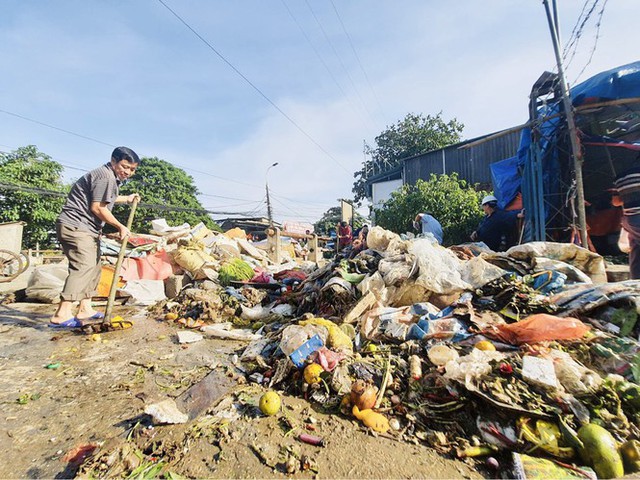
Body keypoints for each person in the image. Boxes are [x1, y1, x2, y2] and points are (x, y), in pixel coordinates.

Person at [49, 147, 141, 327]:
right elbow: (98, 207)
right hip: (77, 226)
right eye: (124, 166)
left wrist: (126, 199)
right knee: (83, 267)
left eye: (132, 169)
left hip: (88, 229)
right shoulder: (105, 176)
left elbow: (106, 199)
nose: (128, 172)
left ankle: (85, 309)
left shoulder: (108, 177)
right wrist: (120, 226)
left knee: (94, 268)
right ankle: (61, 314)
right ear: (113, 161)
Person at [612, 163, 640, 279]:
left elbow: (616, 202)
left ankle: (636, 286)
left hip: (630, 221)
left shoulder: (620, 177)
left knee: (637, 251)